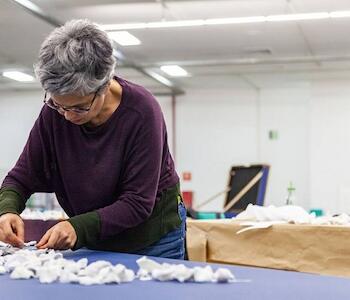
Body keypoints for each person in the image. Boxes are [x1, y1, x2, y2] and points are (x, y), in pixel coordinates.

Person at [0, 19, 186, 259]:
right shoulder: (54, 113)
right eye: (57, 104)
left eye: (78, 108)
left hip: (150, 238)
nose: (66, 116)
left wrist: (77, 227)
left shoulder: (142, 112)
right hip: (94, 233)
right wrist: (6, 211)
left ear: (105, 85)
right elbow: (22, 176)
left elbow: (138, 202)